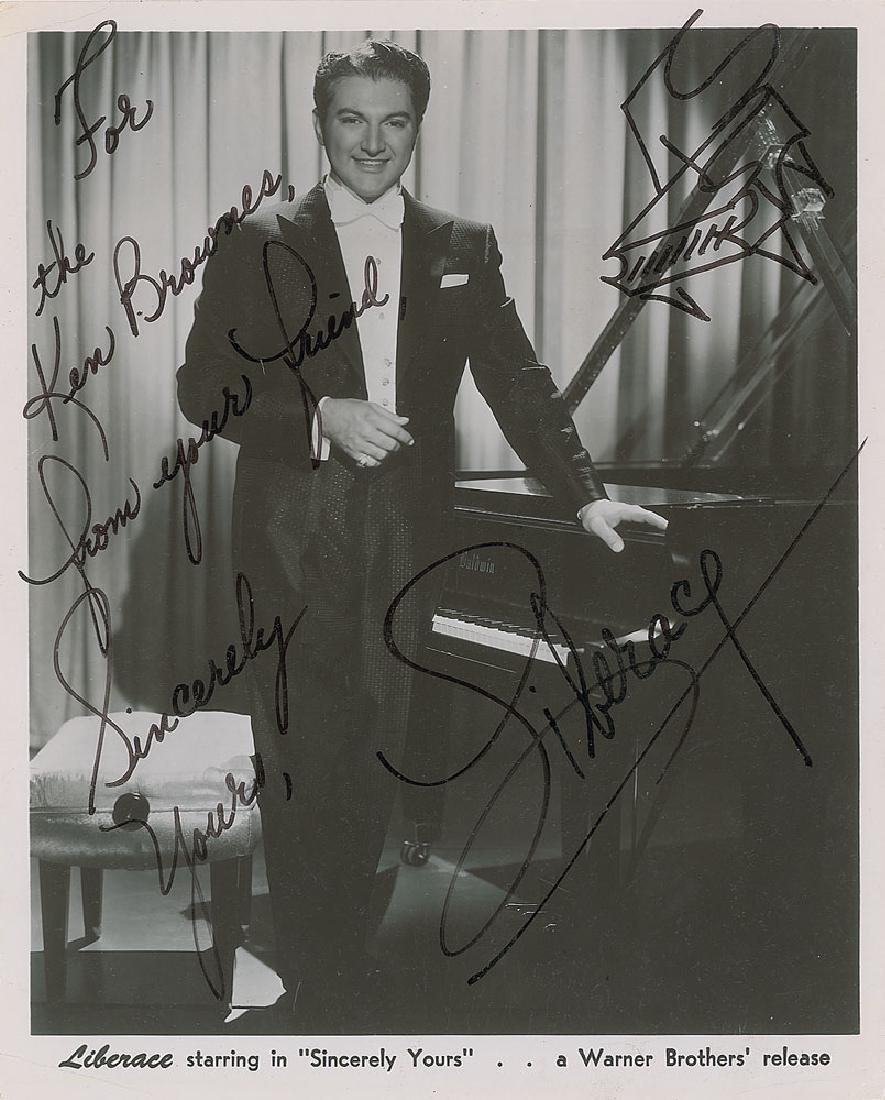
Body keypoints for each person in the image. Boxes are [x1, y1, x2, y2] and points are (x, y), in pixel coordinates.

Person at [178, 38, 667, 1027]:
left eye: (394, 121)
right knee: (302, 754)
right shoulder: (255, 235)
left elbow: (518, 381)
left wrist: (585, 498)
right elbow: (202, 387)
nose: (373, 141)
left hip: (408, 530)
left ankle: (338, 969)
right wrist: (321, 416)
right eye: (352, 119)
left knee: (376, 748)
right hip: (289, 528)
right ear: (320, 125)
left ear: (417, 128)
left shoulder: (462, 243)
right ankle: (317, 981)